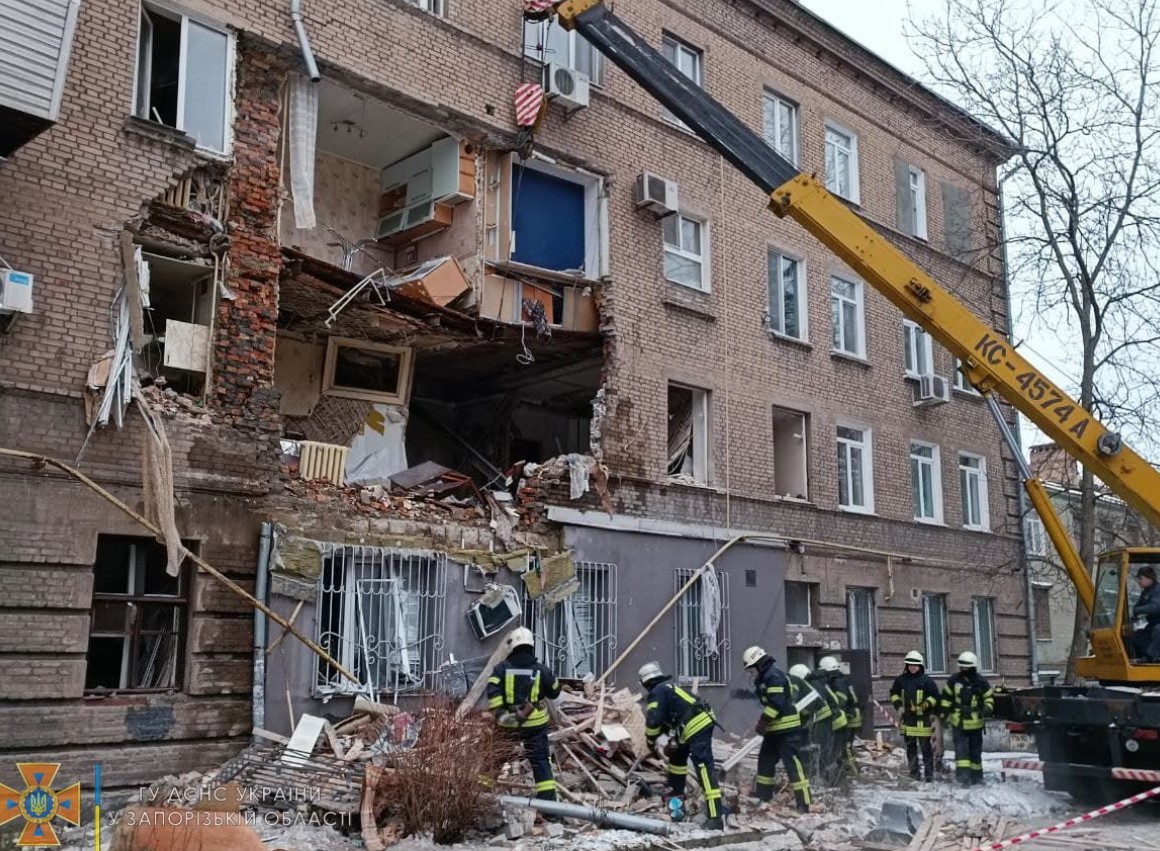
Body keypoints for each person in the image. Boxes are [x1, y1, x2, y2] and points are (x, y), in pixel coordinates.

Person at [639, 662, 725, 829]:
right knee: (677, 760)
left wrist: (650, 742)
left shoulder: (658, 692)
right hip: (689, 727)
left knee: (703, 767)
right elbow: (666, 722)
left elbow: (653, 721)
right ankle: (677, 807)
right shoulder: (667, 689)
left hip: (696, 725)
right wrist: (669, 742)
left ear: (645, 683)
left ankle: (715, 817)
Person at [486, 627, 561, 801]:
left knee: (494, 759)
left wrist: (502, 716)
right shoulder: (542, 670)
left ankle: (479, 797)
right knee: (541, 761)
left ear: (512, 647)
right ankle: (548, 805)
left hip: (507, 725)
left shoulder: (500, 670)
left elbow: (493, 698)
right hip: (535, 725)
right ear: (531, 646)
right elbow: (555, 692)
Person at [743, 646, 812, 813]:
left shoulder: (773, 676)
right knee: (765, 761)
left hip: (788, 731)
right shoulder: (765, 677)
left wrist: (763, 721)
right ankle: (763, 796)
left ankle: (804, 803)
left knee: (793, 766)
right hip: (774, 730)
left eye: (751, 668)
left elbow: (776, 704)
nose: (751, 672)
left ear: (759, 664)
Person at [940, 651, 994, 787]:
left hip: (976, 723)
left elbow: (989, 698)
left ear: (973, 666)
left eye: (967, 666)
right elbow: (946, 699)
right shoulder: (953, 681)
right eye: (962, 666)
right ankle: (963, 777)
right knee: (961, 752)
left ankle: (977, 777)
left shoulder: (981, 682)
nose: (964, 668)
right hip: (959, 722)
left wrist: (987, 708)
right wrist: (943, 715)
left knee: (975, 752)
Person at [889, 651, 940, 782]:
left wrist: (925, 705)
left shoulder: (926, 681)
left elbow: (935, 696)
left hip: (923, 722)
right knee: (911, 750)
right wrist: (898, 706)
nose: (912, 667)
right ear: (907, 665)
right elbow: (894, 693)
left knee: (926, 750)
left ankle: (929, 776)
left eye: (915, 665)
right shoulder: (901, 680)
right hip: (908, 722)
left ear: (920, 666)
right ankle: (914, 774)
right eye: (910, 665)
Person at [805, 662, 849, 786]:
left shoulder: (814, 685)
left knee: (827, 752)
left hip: (833, 722)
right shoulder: (822, 684)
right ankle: (837, 780)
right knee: (833, 752)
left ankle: (831, 780)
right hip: (838, 720)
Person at [819, 655, 862, 776]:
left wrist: (836, 711)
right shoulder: (842, 679)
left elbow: (841, 699)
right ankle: (846, 769)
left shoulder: (837, 681)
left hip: (850, 715)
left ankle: (855, 773)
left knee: (846, 746)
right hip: (853, 713)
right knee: (844, 746)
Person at [788, 663, 830, 780]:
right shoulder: (812, 684)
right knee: (818, 748)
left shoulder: (810, 686)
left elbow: (803, 707)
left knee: (818, 747)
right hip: (819, 719)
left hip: (820, 719)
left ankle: (819, 776)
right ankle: (817, 774)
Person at [1132, 565, 1160, 662]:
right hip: (1152, 624)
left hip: (1158, 624)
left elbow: (1154, 607)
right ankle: (1140, 657)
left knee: (1158, 630)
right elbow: (1137, 606)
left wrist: (1138, 610)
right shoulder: (1146, 592)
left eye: (1141, 578)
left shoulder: (1158, 590)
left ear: (1149, 578)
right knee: (1136, 636)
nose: (1138, 581)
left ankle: (1149, 658)